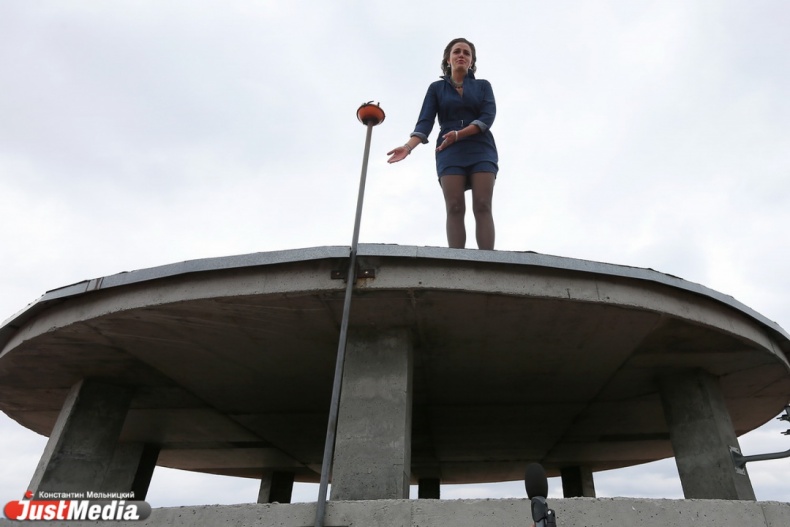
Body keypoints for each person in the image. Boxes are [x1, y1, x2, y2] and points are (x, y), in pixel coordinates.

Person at [387, 37, 498, 250]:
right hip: (449, 149)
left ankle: (487, 262)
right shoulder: (436, 88)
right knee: (454, 207)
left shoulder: (483, 86)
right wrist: (408, 147)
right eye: (457, 51)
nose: (461, 55)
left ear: (472, 61)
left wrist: (460, 134)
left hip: (481, 149)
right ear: (448, 59)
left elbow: (487, 117)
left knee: (483, 205)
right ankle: (457, 262)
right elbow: (425, 122)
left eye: (466, 53)